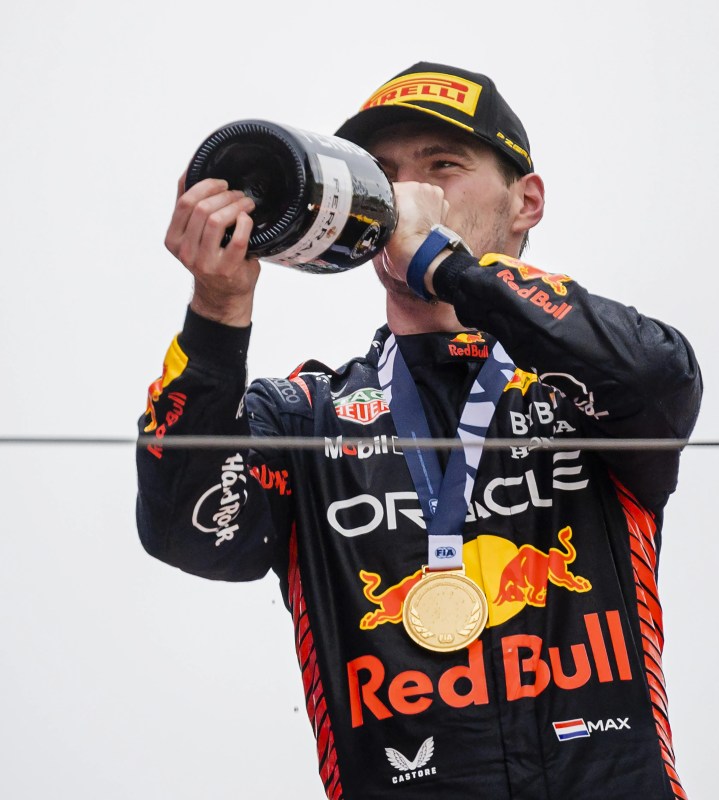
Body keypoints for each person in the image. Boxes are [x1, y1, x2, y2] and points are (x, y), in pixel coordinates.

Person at [136, 62, 701, 800]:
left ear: (526, 201)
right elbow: (189, 532)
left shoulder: (579, 388)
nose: (408, 195)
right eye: (386, 175)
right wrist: (217, 308)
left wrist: (446, 266)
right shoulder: (307, 414)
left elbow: (659, 377)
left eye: (442, 166)